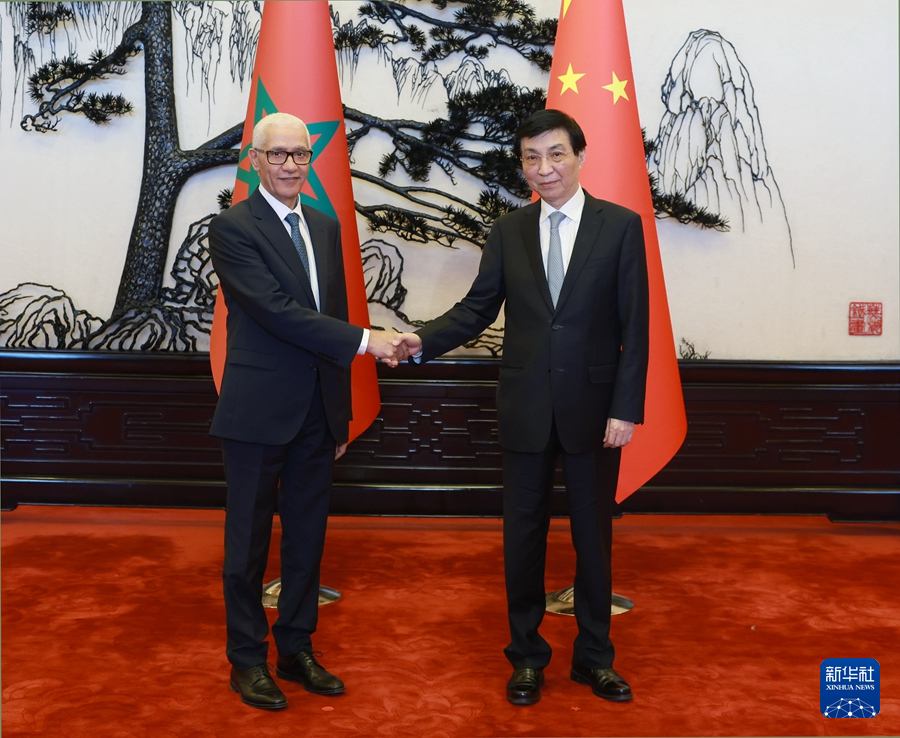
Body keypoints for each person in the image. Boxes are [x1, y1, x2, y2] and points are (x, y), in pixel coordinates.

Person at [397, 109, 649, 705]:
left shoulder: (620, 226)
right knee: (523, 539)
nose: (545, 168)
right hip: (526, 407)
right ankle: (527, 657)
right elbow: (477, 308)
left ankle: (595, 658)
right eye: (532, 158)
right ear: (522, 166)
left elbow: (636, 325)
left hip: (595, 411)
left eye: (556, 154)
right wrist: (419, 342)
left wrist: (626, 409)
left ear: (580, 156)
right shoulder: (508, 230)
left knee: (593, 540)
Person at [208, 112, 409, 710]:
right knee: (246, 545)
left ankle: (296, 649)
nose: (291, 165)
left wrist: (339, 412)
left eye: (300, 154)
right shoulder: (232, 227)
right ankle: (247, 660)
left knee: (306, 539)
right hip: (256, 411)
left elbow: (333, 316)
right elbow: (276, 311)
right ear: (255, 161)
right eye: (278, 155)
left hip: (318, 412)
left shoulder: (324, 225)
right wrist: (370, 341)